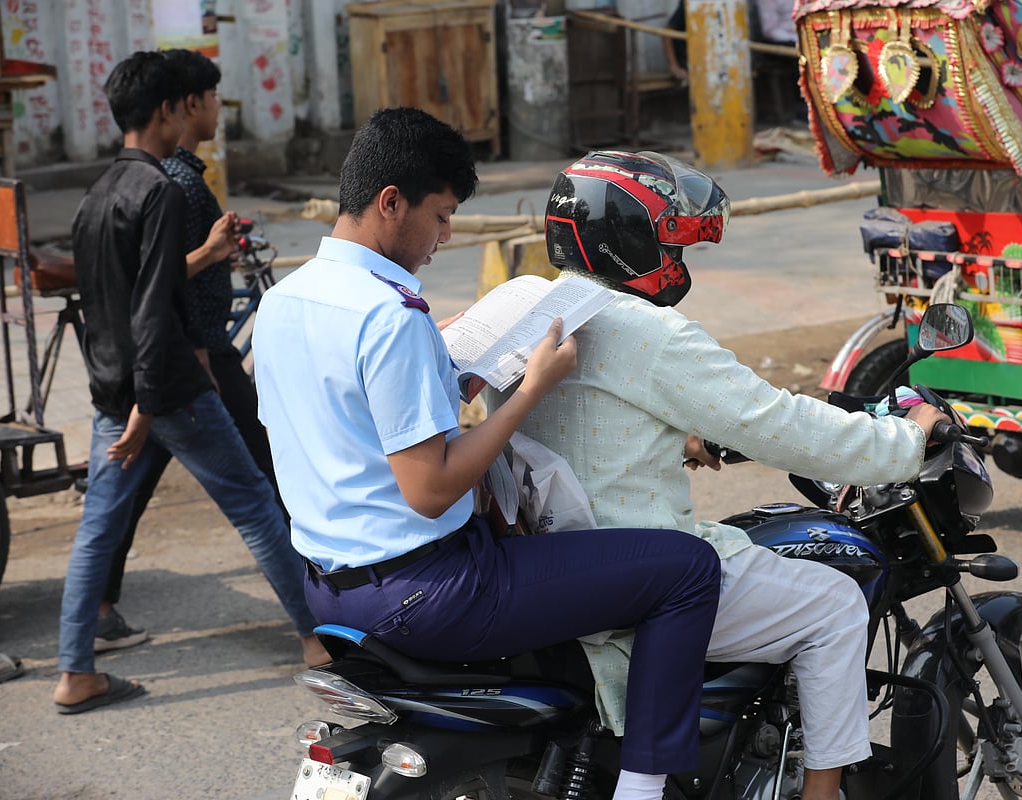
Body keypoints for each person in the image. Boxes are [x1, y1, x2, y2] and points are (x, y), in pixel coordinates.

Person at [251, 107, 722, 800]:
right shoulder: (389, 316)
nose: (444, 237)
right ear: (391, 202)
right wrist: (532, 388)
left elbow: (343, 424)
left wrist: (447, 373)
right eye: (441, 216)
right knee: (688, 567)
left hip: (328, 588)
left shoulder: (286, 300)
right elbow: (431, 490)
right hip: (434, 590)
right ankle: (643, 789)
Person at [485, 151, 948, 800]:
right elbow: (782, 425)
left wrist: (672, 435)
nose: (677, 260)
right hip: (641, 572)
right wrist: (907, 439)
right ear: (628, 242)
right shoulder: (651, 333)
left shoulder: (531, 312)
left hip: (551, 567)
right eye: (669, 243)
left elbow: (580, 420)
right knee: (835, 604)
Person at [53, 50, 325, 716]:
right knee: (255, 505)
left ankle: (74, 671)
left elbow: (107, 309)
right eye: (183, 105)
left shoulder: (95, 195)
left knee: (97, 529)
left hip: (114, 389)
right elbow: (151, 311)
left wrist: (125, 400)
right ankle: (317, 641)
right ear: (168, 111)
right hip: (165, 388)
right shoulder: (159, 192)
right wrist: (147, 405)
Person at [94, 48, 283, 655]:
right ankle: (320, 615)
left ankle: (98, 606)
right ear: (183, 106)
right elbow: (161, 281)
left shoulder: (170, 179)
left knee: (130, 486)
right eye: (211, 100)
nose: (216, 112)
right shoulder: (170, 183)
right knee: (263, 483)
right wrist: (201, 345)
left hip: (182, 356)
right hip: (195, 356)